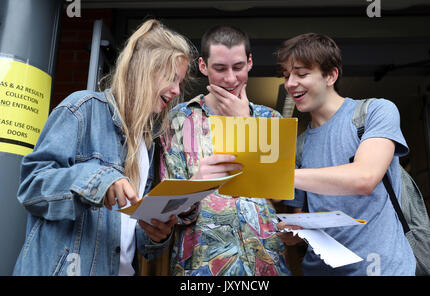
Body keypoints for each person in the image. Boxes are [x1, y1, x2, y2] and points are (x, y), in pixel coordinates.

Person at [13, 19, 196, 276]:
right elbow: (32, 187)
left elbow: (130, 237)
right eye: (171, 78)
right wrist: (99, 181)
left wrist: (155, 234)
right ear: (144, 70)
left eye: (181, 82)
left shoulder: (146, 143)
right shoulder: (81, 108)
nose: (177, 90)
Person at [275, 33, 416, 275]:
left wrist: (279, 175)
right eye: (287, 76)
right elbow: (303, 217)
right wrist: (295, 232)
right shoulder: (298, 145)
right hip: (321, 270)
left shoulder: (376, 112)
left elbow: (364, 178)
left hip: (381, 268)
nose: (289, 83)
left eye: (301, 73)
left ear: (331, 75)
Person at [160, 25, 291, 276]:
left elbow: (278, 196)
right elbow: (167, 209)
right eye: (220, 69)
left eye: (238, 67)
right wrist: (196, 185)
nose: (230, 79)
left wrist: (244, 126)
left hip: (266, 265)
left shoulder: (272, 120)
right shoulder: (178, 121)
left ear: (250, 62)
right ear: (202, 66)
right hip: (201, 268)